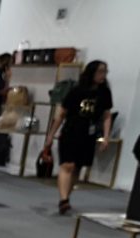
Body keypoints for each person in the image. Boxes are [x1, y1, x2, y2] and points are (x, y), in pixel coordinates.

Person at [44, 60, 113, 215]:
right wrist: (51, 135)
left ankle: (66, 197)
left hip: (89, 134)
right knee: (67, 165)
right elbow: (61, 114)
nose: (103, 75)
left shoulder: (104, 93)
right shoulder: (76, 91)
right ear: (91, 72)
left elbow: (107, 116)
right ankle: (63, 200)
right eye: (100, 71)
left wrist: (106, 136)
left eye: (105, 72)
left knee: (77, 167)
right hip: (71, 131)